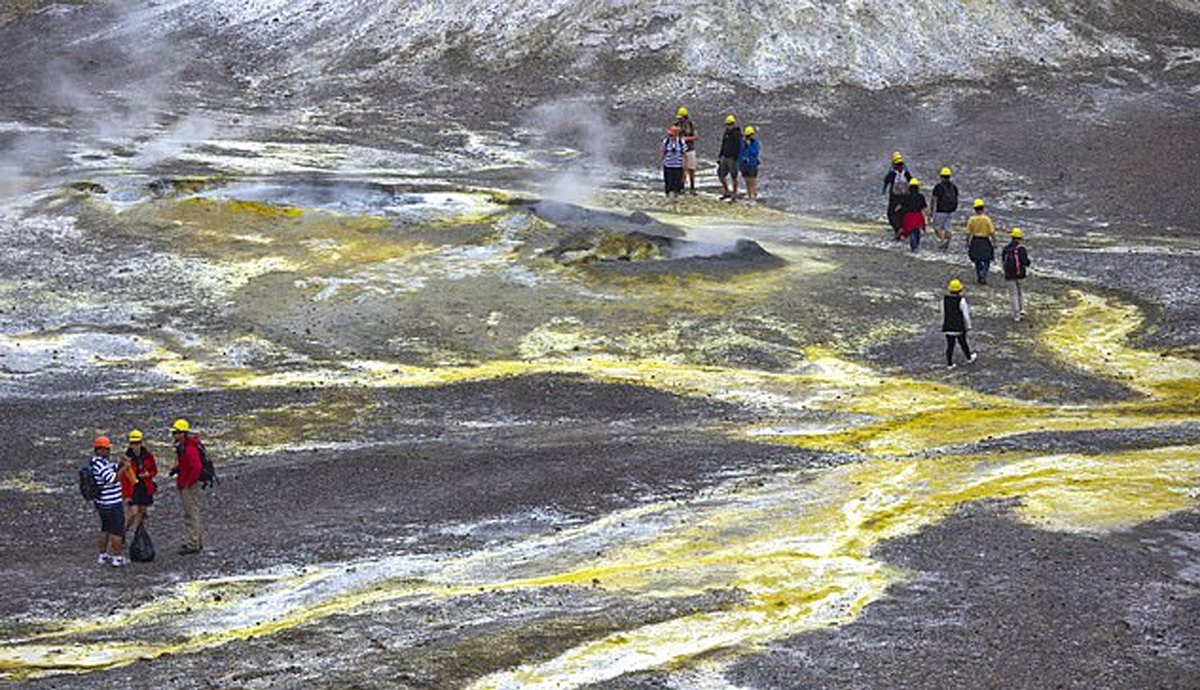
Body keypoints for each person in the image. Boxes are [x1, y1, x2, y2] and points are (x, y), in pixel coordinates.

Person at [89, 436, 128, 566]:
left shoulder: (96, 462)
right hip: (111, 502)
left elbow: (113, 469)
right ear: (98, 450)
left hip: (102, 503)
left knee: (105, 528)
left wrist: (120, 465)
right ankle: (117, 557)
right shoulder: (101, 464)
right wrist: (125, 468)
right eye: (106, 449)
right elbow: (112, 479)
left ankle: (103, 555)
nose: (108, 451)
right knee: (117, 531)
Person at [170, 418, 204, 555]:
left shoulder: (189, 449)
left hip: (188, 486)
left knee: (191, 514)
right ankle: (196, 541)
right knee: (193, 512)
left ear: (183, 433)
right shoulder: (187, 447)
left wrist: (187, 483)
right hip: (187, 483)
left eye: (176, 433)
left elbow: (196, 468)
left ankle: (193, 543)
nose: (174, 436)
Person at [121, 429, 157, 536]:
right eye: (132, 443)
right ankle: (123, 532)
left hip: (144, 487)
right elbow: (122, 478)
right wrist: (126, 494)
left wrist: (148, 474)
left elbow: (154, 470)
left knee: (141, 512)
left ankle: (138, 535)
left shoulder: (148, 456)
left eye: (136, 443)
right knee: (133, 513)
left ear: (141, 443)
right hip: (132, 488)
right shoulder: (126, 458)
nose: (134, 445)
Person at [941, 279, 977, 368]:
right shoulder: (961, 300)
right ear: (960, 290)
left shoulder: (944, 300)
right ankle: (969, 357)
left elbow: (943, 313)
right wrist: (968, 325)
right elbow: (965, 314)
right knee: (963, 342)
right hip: (959, 326)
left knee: (950, 345)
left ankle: (949, 363)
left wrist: (944, 323)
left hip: (948, 326)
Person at [1002, 227, 1032, 321]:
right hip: (1020, 274)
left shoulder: (1006, 249)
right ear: (1020, 238)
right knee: (1020, 292)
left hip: (1009, 275)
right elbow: (1026, 262)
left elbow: (1003, 261)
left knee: (1013, 295)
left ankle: (1016, 315)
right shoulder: (1021, 249)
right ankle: (1022, 309)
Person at [965, 198, 996, 284]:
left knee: (977, 260)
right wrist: (995, 242)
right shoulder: (987, 219)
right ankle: (984, 273)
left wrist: (967, 242)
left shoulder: (971, 219)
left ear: (974, 209)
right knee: (987, 259)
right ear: (983, 208)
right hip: (985, 240)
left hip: (975, 240)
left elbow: (968, 232)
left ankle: (979, 275)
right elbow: (992, 232)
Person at [882, 152, 912, 239]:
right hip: (905, 197)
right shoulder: (906, 173)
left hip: (894, 197)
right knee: (902, 213)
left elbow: (886, 182)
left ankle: (898, 229)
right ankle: (903, 231)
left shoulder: (892, 173)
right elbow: (912, 183)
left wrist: (883, 191)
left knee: (891, 213)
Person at [929, 167, 959, 250]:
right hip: (951, 210)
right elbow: (956, 198)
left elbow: (934, 199)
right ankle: (947, 240)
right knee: (948, 227)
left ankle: (942, 241)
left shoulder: (938, 187)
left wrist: (931, 210)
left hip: (941, 210)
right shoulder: (954, 187)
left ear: (941, 176)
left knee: (937, 227)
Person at [897, 177, 927, 252]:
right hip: (918, 215)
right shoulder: (921, 196)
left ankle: (913, 247)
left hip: (909, 216)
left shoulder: (906, 196)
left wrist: (896, 211)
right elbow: (924, 207)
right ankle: (916, 245)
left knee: (911, 231)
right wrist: (927, 217)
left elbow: (901, 206)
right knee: (917, 230)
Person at [717, 114, 742, 201]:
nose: (729, 126)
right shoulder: (726, 133)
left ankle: (734, 194)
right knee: (720, 174)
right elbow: (723, 144)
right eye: (728, 125)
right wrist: (720, 155)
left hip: (732, 158)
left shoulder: (737, 134)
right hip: (725, 156)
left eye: (730, 124)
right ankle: (726, 191)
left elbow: (739, 146)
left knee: (734, 176)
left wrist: (736, 157)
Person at [674, 107, 698, 194]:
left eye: (681, 117)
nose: (680, 119)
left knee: (691, 169)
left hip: (690, 149)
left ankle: (692, 187)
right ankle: (682, 187)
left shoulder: (691, 124)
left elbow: (696, 136)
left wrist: (685, 138)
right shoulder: (676, 124)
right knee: (682, 169)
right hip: (680, 150)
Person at [661, 126, 686, 197]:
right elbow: (663, 152)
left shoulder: (681, 142)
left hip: (678, 166)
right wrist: (662, 162)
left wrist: (684, 167)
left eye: (672, 135)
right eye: (669, 135)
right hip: (668, 166)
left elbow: (684, 155)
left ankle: (675, 197)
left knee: (677, 185)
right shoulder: (666, 142)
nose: (670, 136)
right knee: (669, 184)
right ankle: (669, 196)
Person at [739, 125, 760, 206]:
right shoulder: (743, 143)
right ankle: (749, 197)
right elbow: (741, 153)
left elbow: (755, 152)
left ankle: (754, 198)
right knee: (747, 182)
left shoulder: (755, 143)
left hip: (752, 164)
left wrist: (749, 146)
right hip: (745, 165)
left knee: (752, 182)